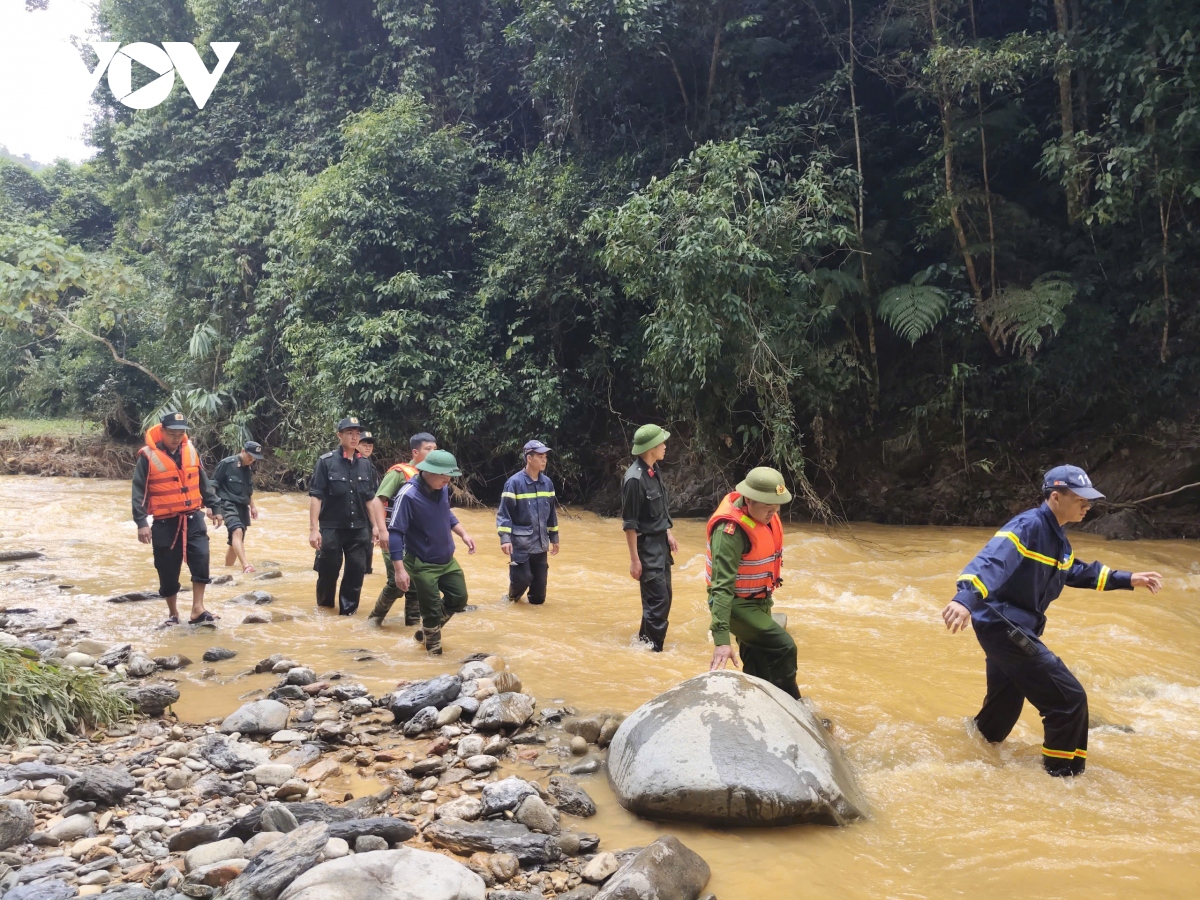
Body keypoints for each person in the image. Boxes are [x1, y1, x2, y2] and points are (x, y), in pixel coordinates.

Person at [941, 465, 1164, 777]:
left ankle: (965, 751)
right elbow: (992, 560)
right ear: (1056, 497)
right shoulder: (1028, 526)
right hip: (1004, 626)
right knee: (1069, 700)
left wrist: (1128, 579)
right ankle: (1063, 779)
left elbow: (1074, 571)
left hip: (1010, 628)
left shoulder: (1057, 539)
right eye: (1080, 499)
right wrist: (965, 598)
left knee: (1002, 713)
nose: (1087, 505)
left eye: (1089, 500)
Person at [706, 467, 801, 699]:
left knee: (758, 658)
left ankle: (756, 702)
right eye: (768, 507)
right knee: (784, 646)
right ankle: (793, 703)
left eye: (776, 506)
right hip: (736, 606)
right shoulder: (729, 532)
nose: (773, 512)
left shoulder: (763, 516)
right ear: (748, 499)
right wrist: (721, 640)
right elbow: (720, 587)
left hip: (760, 599)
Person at [131, 411, 226, 626]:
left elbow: (204, 482)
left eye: (181, 433)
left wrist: (215, 506)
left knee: (201, 558)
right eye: (172, 433)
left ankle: (197, 609)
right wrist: (141, 523)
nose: (177, 437)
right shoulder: (147, 456)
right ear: (162, 431)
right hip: (165, 522)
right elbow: (139, 492)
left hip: (193, 517)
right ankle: (173, 613)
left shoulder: (190, 451)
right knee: (167, 569)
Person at [387, 449, 477, 655]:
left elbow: (446, 513)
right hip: (423, 562)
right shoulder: (408, 495)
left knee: (459, 598)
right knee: (430, 611)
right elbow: (395, 532)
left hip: (447, 559)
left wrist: (463, 534)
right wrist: (399, 570)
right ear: (428, 472)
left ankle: (424, 633)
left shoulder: (442, 489)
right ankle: (434, 658)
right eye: (444, 476)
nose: (447, 481)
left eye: (450, 477)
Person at [308, 417, 379, 615]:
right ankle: (325, 609)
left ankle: (347, 613)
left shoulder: (365, 465)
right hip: (332, 527)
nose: (355, 437)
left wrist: (376, 527)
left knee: (356, 572)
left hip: (359, 528)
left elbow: (369, 498)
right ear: (339, 435)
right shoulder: (326, 462)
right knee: (328, 571)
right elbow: (316, 496)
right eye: (350, 433)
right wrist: (314, 529)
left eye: (357, 433)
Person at [367, 432, 438, 626]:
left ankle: (412, 622)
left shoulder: (430, 477)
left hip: (415, 538)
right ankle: (375, 618)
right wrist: (381, 530)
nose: (432, 453)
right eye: (428, 449)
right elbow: (377, 500)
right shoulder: (399, 473)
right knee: (396, 582)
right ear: (415, 452)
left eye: (435, 449)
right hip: (393, 534)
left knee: (415, 581)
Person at [621, 424, 679, 651]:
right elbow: (630, 524)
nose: (665, 446)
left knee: (664, 598)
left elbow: (657, 511)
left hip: (661, 546)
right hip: (647, 549)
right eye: (662, 443)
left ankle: (643, 645)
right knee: (658, 602)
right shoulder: (634, 480)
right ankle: (653, 651)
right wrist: (635, 560)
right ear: (651, 447)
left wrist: (668, 532)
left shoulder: (653, 471)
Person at [496, 440, 560, 605]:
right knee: (522, 580)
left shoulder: (547, 483)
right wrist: (505, 539)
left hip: (541, 543)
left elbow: (551, 513)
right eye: (540, 456)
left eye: (545, 456)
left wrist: (554, 537)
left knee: (539, 596)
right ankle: (510, 599)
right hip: (521, 544)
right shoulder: (514, 483)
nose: (544, 460)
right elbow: (504, 514)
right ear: (529, 458)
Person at [213, 440, 264, 573]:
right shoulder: (227, 463)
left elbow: (248, 490)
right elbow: (213, 484)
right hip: (227, 503)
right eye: (249, 456)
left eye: (254, 458)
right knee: (237, 531)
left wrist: (252, 506)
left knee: (235, 541)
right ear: (242, 451)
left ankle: (227, 570)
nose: (251, 460)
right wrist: (211, 506)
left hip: (242, 506)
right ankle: (245, 566)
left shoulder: (248, 469)